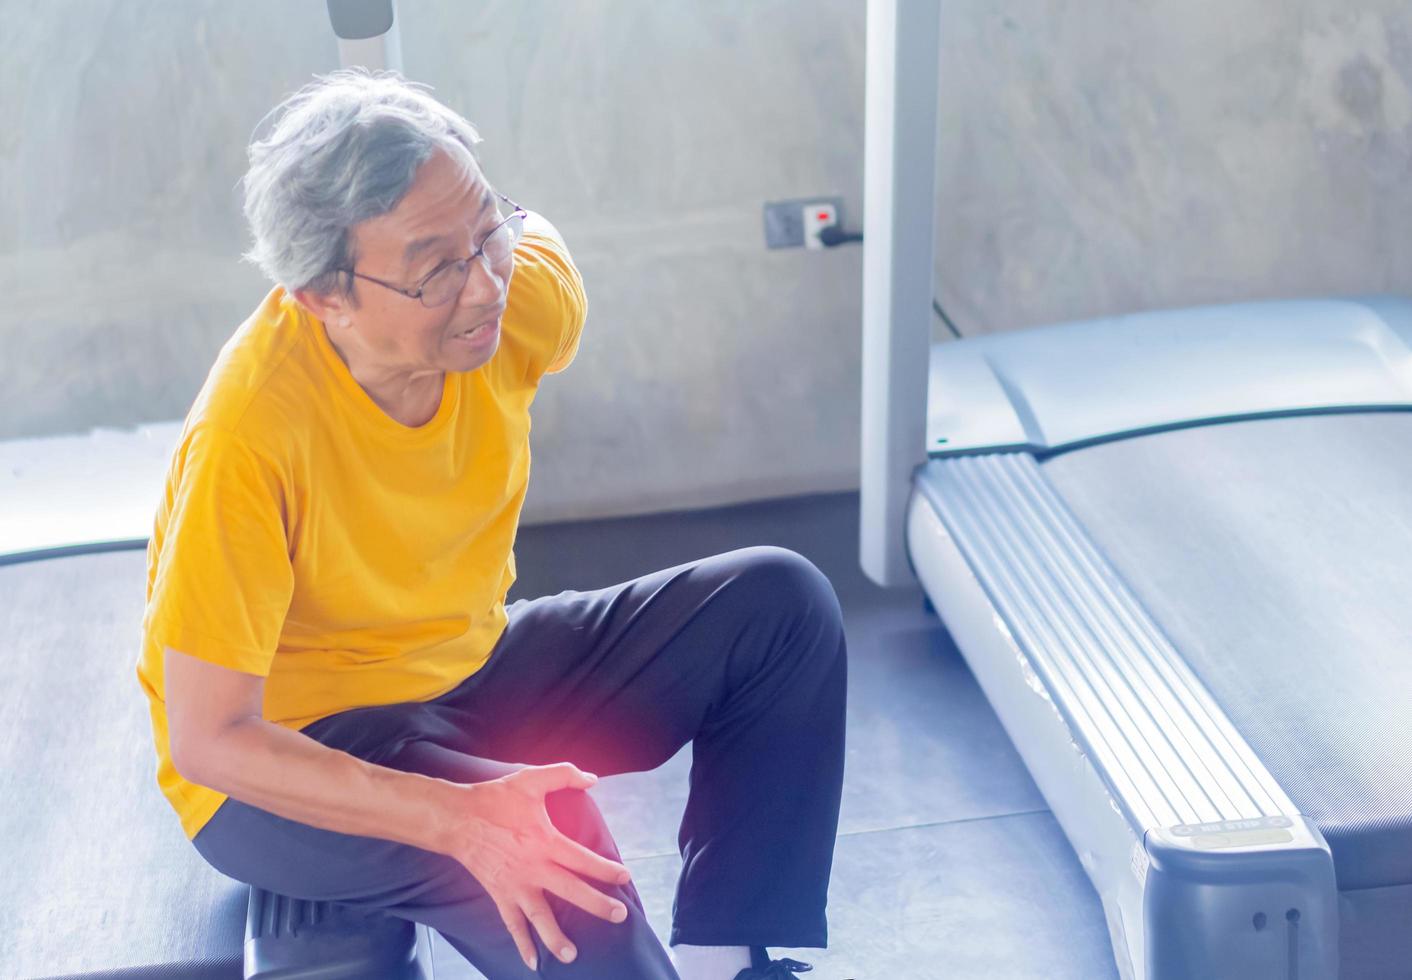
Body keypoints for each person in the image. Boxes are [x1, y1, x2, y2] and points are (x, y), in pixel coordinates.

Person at [134, 69, 847, 980]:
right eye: (436, 269)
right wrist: (457, 819)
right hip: (290, 755)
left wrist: (479, 232)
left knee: (777, 605)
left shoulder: (516, 297)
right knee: (551, 855)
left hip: (462, 671)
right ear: (323, 296)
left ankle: (726, 958)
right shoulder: (248, 440)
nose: (483, 288)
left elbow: (517, 241)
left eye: (488, 232)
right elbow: (211, 739)